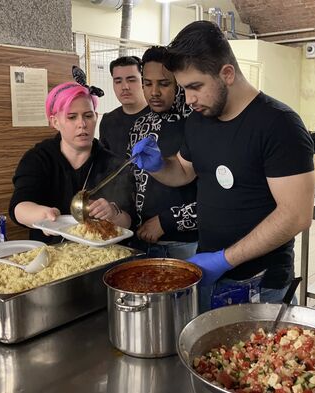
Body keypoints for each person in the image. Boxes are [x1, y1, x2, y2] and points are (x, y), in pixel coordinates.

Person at [132, 21, 315, 310]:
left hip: (261, 283)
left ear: (226, 74)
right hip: (209, 276)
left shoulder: (279, 125)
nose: (189, 99)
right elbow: (182, 171)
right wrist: (156, 166)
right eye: (183, 89)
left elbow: (297, 215)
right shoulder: (198, 121)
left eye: (195, 87)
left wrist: (224, 259)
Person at [10, 70, 134, 243]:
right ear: (55, 122)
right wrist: (43, 214)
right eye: (72, 117)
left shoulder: (112, 163)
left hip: (100, 255)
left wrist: (113, 213)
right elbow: (19, 207)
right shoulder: (39, 158)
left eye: (88, 116)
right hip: (50, 255)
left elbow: (128, 222)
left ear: (96, 117)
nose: (82, 124)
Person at [127, 46, 198, 259]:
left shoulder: (197, 123)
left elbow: (215, 195)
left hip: (184, 243)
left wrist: (167, 221)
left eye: (164, 84)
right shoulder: (140, 126)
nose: (154, 92)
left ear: (179, 84)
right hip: (141, 240)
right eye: (147, 84)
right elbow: (133, 182)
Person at [99, 56, 149, 157]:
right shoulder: (108, 121)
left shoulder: (160, 117)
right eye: (118, 81)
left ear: (143, 81)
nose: (124, 87)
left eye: (131, 80)